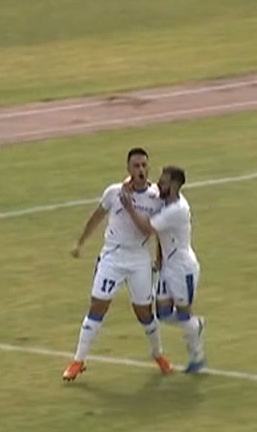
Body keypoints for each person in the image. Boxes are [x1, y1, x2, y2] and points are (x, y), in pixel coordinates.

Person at [63, 147, 174, 381]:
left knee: (144, 313)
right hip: (112, 257)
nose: (141, 169)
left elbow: (157, 232)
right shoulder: (114, 192)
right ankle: (78, 361)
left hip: (139, 259)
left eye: (144, 165)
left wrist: (160, 259)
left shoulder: (156, 198)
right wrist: (80, 243)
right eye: (136, 166)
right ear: (128, 168)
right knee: (97, 306)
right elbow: (97, 217)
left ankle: (158, 355)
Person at [118, 165, 206, 373]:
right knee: (164, 313)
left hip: (183, 269)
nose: (159, 184)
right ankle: (196, 326)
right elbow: (160, 232)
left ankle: (196, 354)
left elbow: (148, 229)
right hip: (168, 267)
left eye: (164, 181)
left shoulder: (177, 209)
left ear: (174, 185)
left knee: (183, 315)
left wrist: (130, 208)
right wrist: (159, 257)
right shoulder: (166, 201)